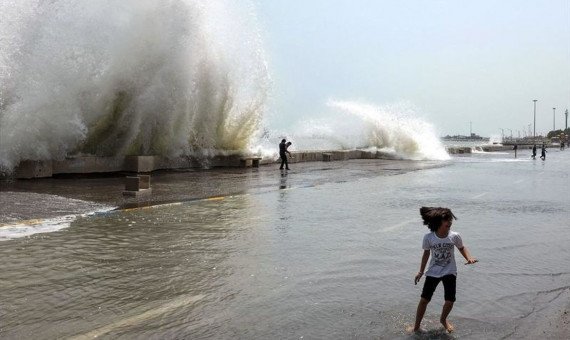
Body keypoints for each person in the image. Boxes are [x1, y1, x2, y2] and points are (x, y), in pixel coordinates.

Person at [413, 207, 477, 333]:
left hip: (450, 271)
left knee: (450, 300)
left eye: (450, 219)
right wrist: (421, 271)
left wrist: (469, 258)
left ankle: (443, 320)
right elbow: (426, 254)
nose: (450, 222)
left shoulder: (454, 236)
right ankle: (416, 326)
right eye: (446, 220)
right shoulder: (429, 237)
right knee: (424, 300)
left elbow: (462, 248)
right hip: (433, 272)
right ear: (438, 222)